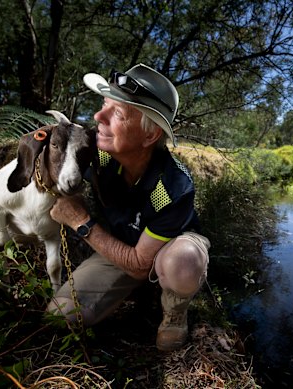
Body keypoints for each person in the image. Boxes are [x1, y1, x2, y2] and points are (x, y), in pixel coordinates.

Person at [47, 63, 210, 352]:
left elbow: (138, 265)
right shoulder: (101, 155)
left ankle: (175, 308)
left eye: (118, 114)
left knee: (182, 261)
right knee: (60, 317)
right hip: (121, 246)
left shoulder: (171, 187)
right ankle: (135, 291)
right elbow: (55, 162)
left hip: (166, 249)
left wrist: (81, 222)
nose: (98, 116)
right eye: (104, 104)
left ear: (149, 136)